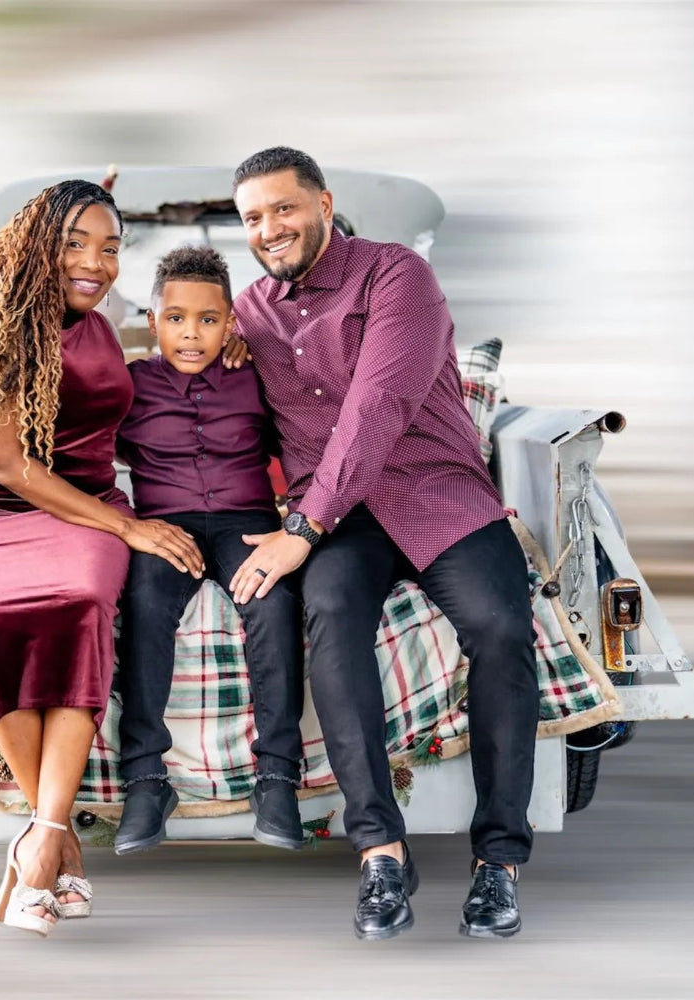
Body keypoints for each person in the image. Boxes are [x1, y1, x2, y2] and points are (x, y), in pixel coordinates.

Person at [228, 148, 540, 940]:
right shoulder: (251, 311)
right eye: (253, 218)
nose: (269, 228)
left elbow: (380, 404)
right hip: (343, 522)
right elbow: (191, 367)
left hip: (435, 491)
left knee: (503, 627)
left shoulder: (395, 275)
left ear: (323, 203)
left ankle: (499, 862)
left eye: (283, 208)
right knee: (330, 621)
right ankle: (381, 854)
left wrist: (301, 528)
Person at [0, 180, 205, 937]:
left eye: (110, 248)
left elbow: (156, 354)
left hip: (84, 508)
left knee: (80, 605)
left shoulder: (99, 322)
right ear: (35, 247)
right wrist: (134, 530)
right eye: (75, 243)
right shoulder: (2, 327)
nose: (95, 262)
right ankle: (54, 837)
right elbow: (9, 466)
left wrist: (222, 342)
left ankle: (38, 840)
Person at [113, 246, 305, 855]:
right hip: (165, 526)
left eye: (207, 319)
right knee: (144, 603)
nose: (191, 334)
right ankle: (146, 777)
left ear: (231, 323)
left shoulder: (258, 377)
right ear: (152, 320)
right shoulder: (131, 385)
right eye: (175, 318)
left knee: (272, 605)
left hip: (246, 524)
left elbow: (304, 438)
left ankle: (277, 777)